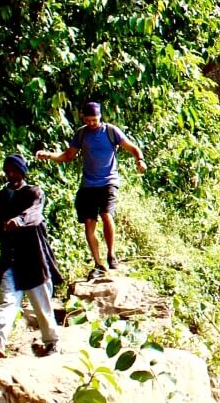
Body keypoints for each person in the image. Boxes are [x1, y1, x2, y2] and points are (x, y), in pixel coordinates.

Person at [35, 102, 146, 279]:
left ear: (100, 117)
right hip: (88, 185)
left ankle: (111, 254)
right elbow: (68, 156)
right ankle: (98, 263)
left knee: (106, 214)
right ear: (83, 118)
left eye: (94, 120)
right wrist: (49, 155)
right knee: (89, 223)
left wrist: (140, 160)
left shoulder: (111, 131)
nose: (91, 123)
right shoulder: (81, 134)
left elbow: (132, 148)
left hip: (108, 181)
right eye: (88, 120)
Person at [0, 154, 64, 358]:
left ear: (22, 172)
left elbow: (33, 215)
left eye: (15, 171)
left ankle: (52, 343)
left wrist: (18, 220)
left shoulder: (34, 193)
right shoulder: (0, 197)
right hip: (10, 258)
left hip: (33, 257)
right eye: (8, 171)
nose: (11, 174)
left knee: (41, 303)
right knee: (7, 299)